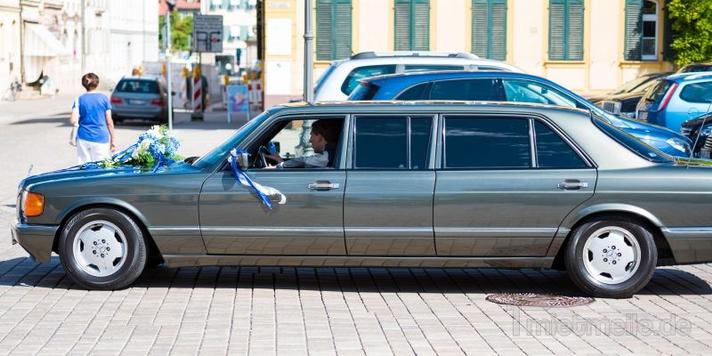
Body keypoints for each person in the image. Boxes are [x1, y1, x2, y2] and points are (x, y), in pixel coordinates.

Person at [69, 73, 116, 164]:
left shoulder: (78, 100)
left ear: (84, 85)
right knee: (100, 167)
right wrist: (113, 140)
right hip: (101, 138)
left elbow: (73, 120)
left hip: (83, 138)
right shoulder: (104, 99)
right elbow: (109, 122)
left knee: (84, 167)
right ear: (97, 84)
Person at [265, 119, 340, 168]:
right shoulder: (334, 153)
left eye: (311, 135)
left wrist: (280, 165)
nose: (310, 140)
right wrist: (281, 161)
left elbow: (305, 161)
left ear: (320, 137)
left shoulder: (328, 156)